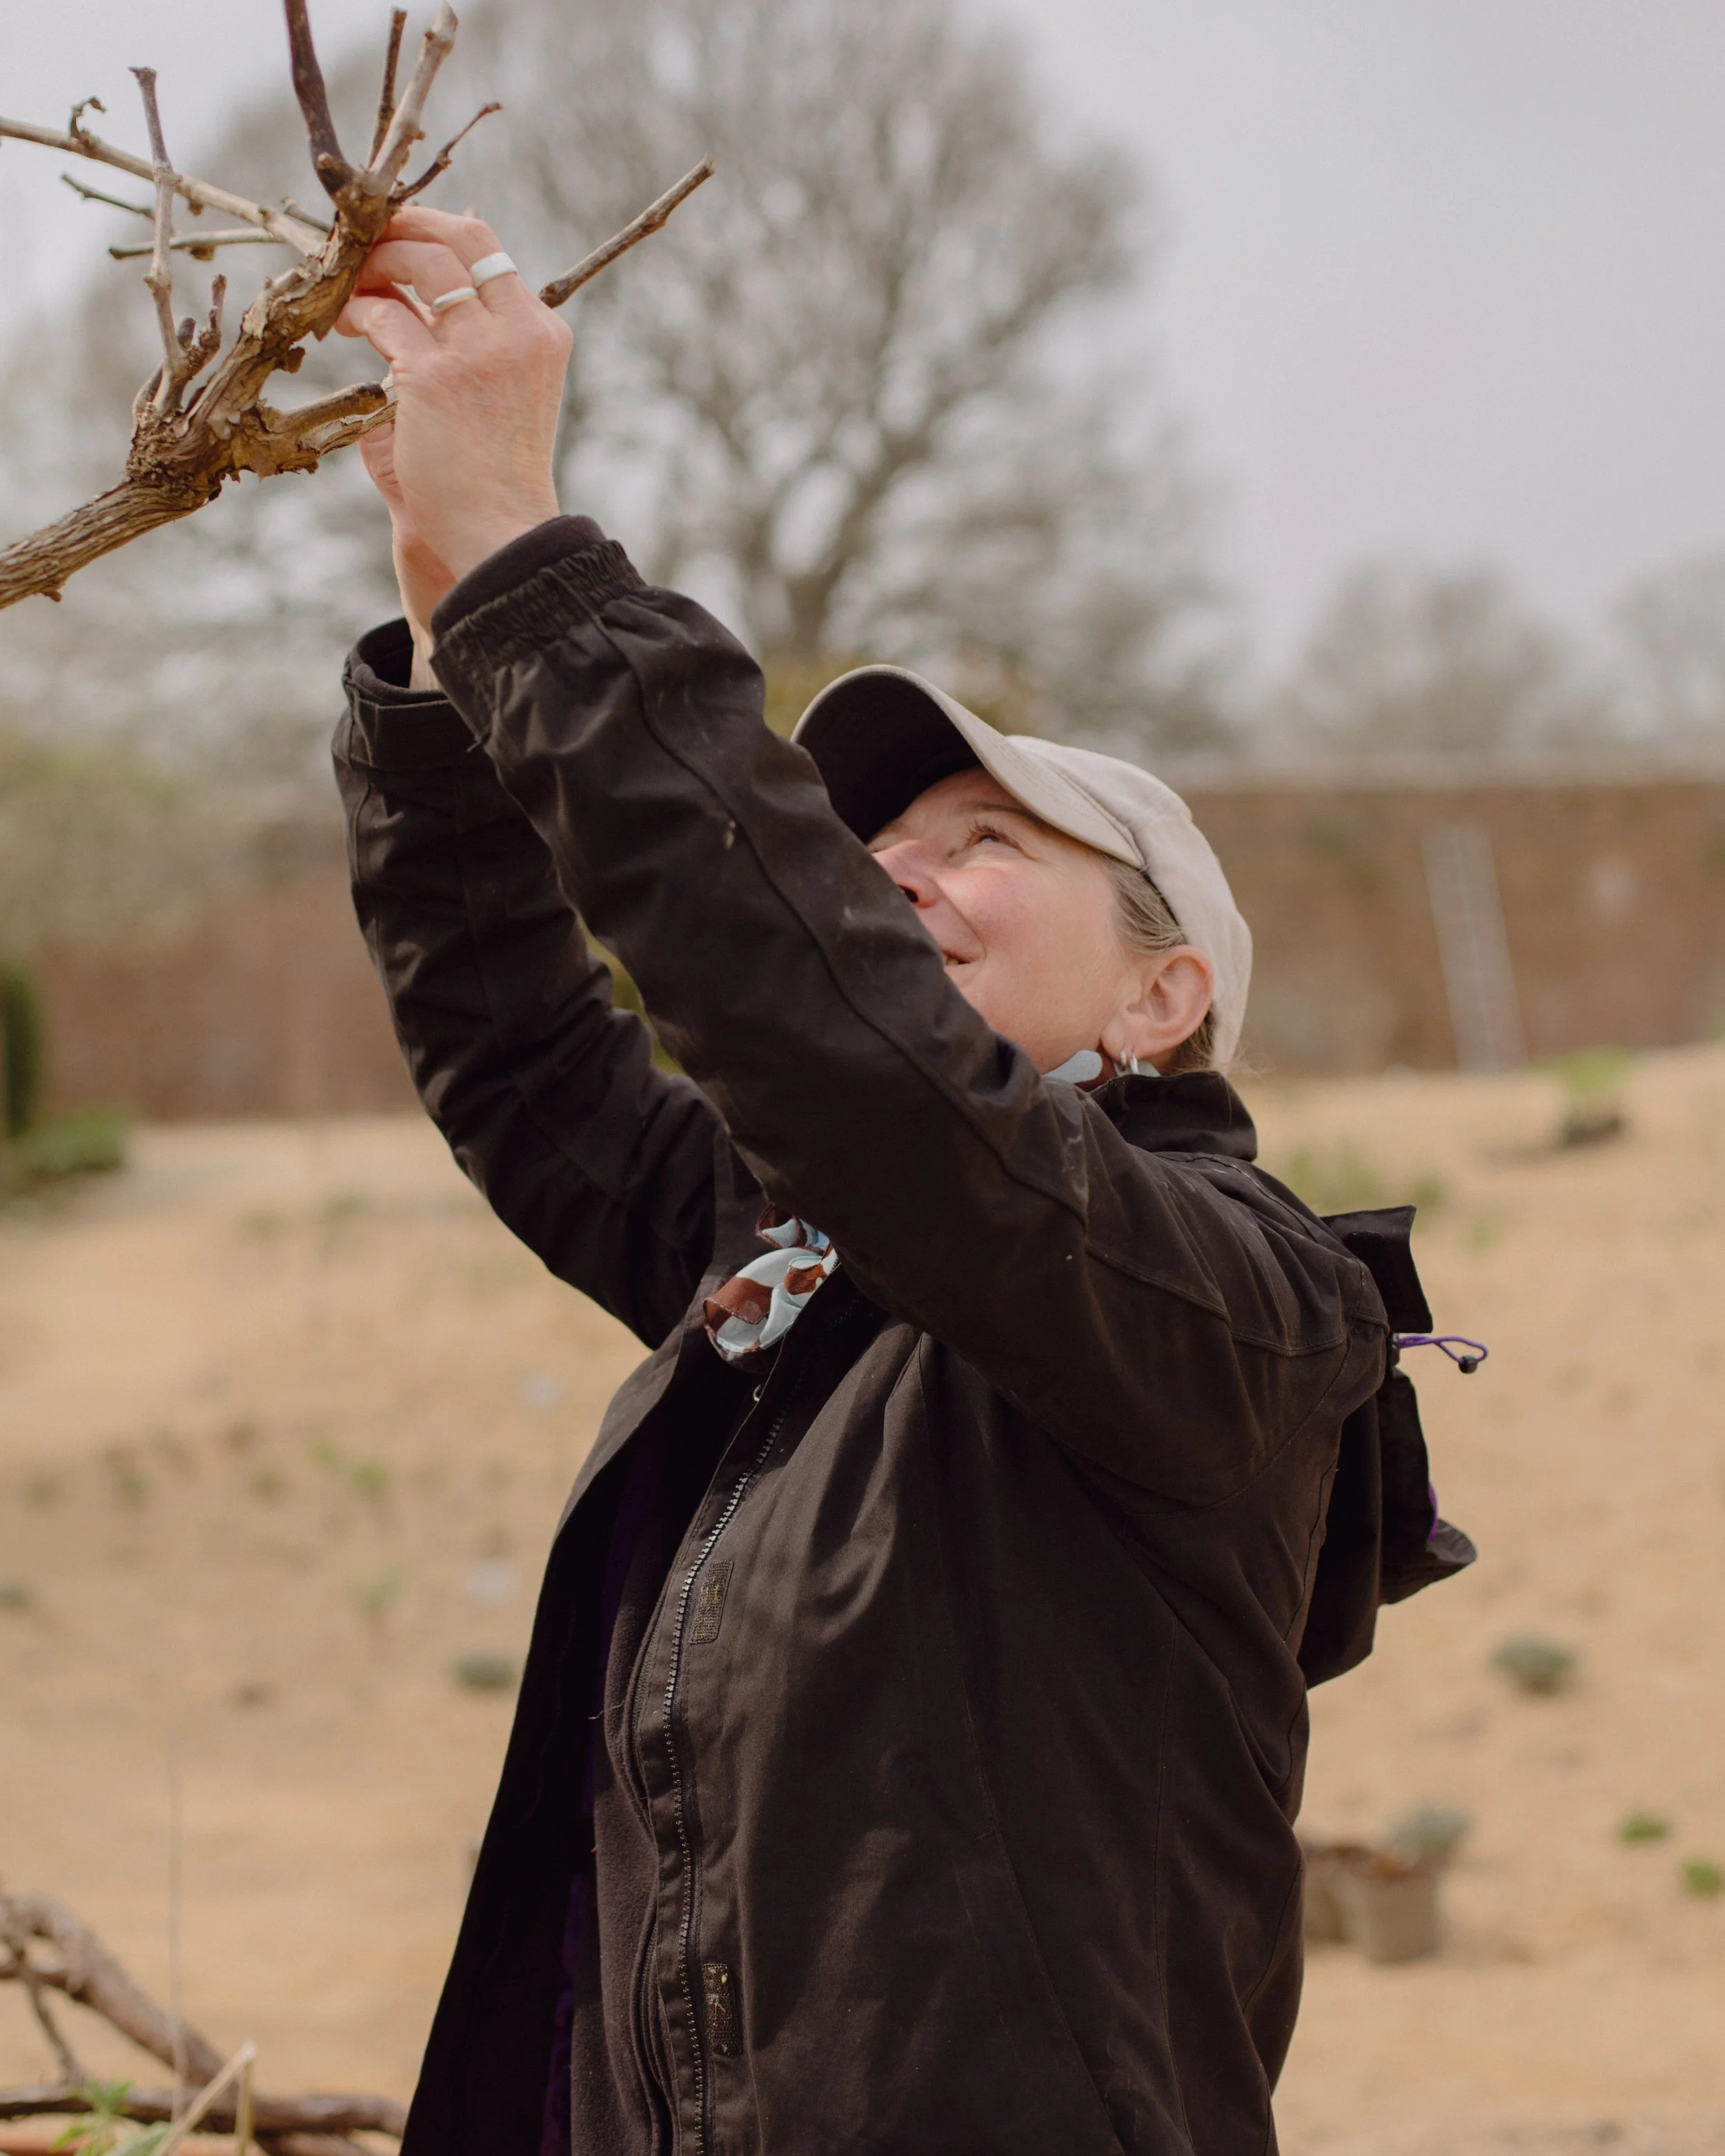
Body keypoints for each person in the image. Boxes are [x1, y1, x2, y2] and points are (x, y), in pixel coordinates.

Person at [332, 206, 1472, 2156]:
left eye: (985, 839)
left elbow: (854, 1055)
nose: (899, 870)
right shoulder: (801, 1270)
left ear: (1165, 995)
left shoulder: (1235, 1302)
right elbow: (520, 1054)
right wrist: (450, 668)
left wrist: (535, 559)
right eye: (876, 850)